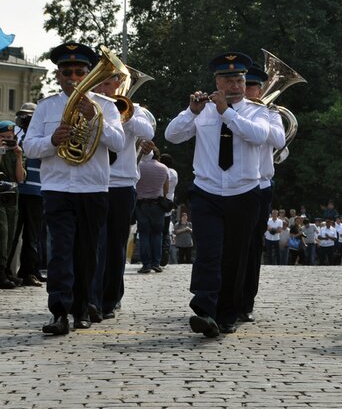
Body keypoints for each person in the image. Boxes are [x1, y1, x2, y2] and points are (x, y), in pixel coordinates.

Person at [165, 51, 271, 337]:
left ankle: (227, 314)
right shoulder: (202, 110)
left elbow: (260, 136)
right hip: (207, 191)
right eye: (228, 80)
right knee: (209, 252)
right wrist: (191, 112)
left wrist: (227, 112)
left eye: (239, 79)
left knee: (235, 256)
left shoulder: (258, 110)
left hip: (243, 192)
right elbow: (172, 136)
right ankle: (205, 310)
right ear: (217, 81)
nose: (235, 85)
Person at [23, 42, 125, 334]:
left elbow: (118, 143)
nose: (73, 77)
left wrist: (94, 120)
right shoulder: (46, 107)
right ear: (57, 75)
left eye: (80, 71)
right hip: (57, 187)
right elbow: (30, 147)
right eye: (66, 71)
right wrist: (53, 141)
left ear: (88, 73)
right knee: (60, 251)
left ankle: (82, 308)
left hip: (93, 188)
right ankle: (59, 312)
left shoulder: (106, 106)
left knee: (87, 252)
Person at [90, 71, 155, 321]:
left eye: (108, 83)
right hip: (94, 182)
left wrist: (122, 114)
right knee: (95, 243)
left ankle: (110, 297)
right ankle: (92, 298)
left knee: (116, 245)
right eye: (101, 84)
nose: (104, 88)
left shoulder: (133, 108)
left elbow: (148, 132)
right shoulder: (90, 107)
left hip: (122, 184)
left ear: (119, 85)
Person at [240, 63, 285, 322]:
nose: (247, 91)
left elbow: (279, 140)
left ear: (261, 89)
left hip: (260, 186)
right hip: (232, 187)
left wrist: (258, 117)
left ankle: (246, 300)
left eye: (252, 87)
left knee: (252, 245)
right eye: (244, 86)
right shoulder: (226, 111)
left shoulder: (269, 114)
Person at [0, 120, 25, 288]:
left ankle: (6, 270)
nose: (8, 140)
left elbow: (20, 178)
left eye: (10, 137)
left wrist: (18, 157)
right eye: (4, 137)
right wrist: (0, 151)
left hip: (12, 196)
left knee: (10, 235)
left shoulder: (16, 151)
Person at [13, 103, 45, 288]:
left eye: (28, 117)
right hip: (22, 189)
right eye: (23, 118)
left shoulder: (37, 138)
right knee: (17, 234)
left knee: (32, 235)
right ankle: (18, 270)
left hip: (36, 191)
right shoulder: (18, 137)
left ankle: (30, 270)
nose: (25, 121)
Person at [134, 146, 170, 274]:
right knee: (157, 234)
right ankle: (156, 263)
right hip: (157, 205)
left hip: (141, 205)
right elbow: (166, 189)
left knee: (144, 234)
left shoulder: (138, 166)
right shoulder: (164, 168)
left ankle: (146, 264)